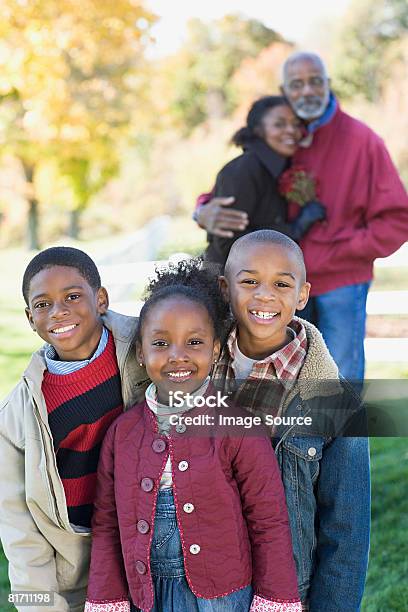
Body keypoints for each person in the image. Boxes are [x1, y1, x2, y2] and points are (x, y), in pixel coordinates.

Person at [85, 259, 302, 612]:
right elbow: (107, 524)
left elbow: (269, 520)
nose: (178, 356)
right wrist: (106, 599)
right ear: (141, 352)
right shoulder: (122, 434)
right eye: (160, 343)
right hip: (148, 595)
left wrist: (275, 598)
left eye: (195, 342)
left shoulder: (238, 427)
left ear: (215, 349)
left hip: (225, 598)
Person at [195, 51, 408, 383]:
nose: (307, 91)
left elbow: (397, 220)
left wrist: (339, 252)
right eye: (297, 84)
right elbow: (240, 184)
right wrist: (202, 208)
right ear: (285, 90)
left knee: (338, 381)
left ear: (328, 85)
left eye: (315, 82)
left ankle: (342, 437)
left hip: (341, 282)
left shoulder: (362, 142)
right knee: (285, 380)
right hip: (283, 285)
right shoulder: (286, 138)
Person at [213, 230, 370, 611]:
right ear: (224, 288)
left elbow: (346, 533)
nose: (264, 295)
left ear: (302, 294)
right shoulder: (197, 369)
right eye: (249, 281)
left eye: (281, 284)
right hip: (203, 588)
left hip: (287, 590)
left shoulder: (336, 403)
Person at [0, 247, 149, 612]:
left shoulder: (149, 346)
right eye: (43, 304)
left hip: (158, 546)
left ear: (101, 299)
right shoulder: (17, 414)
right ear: (29, 318)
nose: (59, 311)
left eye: (72, 296)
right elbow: (17, 526)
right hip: (80, 569)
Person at [205, 95, 325, 266]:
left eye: (295, 124)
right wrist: (295, 229)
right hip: (229, 283)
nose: (291, 130)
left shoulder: (281, 167)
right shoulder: (244, 170)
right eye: (279, 124)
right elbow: (227, 242)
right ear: (258, 130)